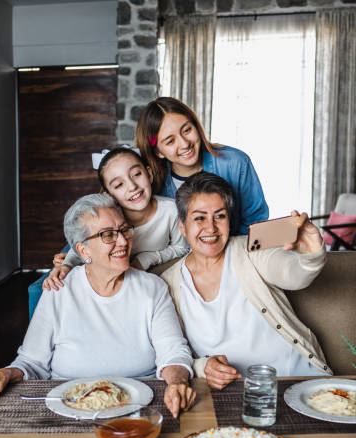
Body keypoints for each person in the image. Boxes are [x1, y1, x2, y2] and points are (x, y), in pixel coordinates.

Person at [0, 194, 196, 417]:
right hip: (68, 411)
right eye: (108, 235)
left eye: (124, 230)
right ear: (83, 250)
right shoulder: (59, 291)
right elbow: (32, 362)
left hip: (140, 410)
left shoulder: (152, 288)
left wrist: (176, 381)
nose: (123, 241)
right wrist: (4, 374)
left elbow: (173, 353)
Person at [160, 171, 332, 389]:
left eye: (220, 216)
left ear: (229, 221)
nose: (211, 228)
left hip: (296, 378)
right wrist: (202, 366)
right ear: (183, 226)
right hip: (233, 392)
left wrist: (310, 257)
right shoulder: (168, 283)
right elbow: (169, 352)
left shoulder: (251, 249)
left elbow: (292, 274)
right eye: (199, 218)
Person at [43, 146, 189, 292]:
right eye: (119, 185)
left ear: (149, 174)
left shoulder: (171, 210)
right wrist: (66, 265)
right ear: (110, 195)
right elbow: (86, 243)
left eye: (137, 174)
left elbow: (181, 248)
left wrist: (147, 258)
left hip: (151, 275)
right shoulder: (107, 216)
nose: (132, 186)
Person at [135, 96, 269, 236]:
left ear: (196, 126)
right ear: (157, 152)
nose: (185, 144)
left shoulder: (236, 163)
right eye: (170, 141)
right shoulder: (153, 185)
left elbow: (256, 223)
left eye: (187, 130)